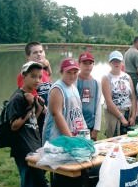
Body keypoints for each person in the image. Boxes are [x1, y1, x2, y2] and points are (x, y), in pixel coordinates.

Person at [42, 58, 87, 187]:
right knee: (64, 175)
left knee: (79, 173)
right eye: (69, 72)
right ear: (61, 72)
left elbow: (78, 113)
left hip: (73, 136)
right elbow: (57, 114)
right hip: (58, 140)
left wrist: (83, 135)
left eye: (75, 72)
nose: (72, 75)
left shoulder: (73, 86)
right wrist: (70, 140)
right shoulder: (57, 88)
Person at [7, 61, 48, 187]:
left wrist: (39, 106)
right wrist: (30, 107)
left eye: (40, 77)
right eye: (33, 76)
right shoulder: (17, 98)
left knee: (39, 180)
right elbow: (14, 125)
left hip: (34, 146)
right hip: (22, 148)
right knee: (29, 181)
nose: (37, 80)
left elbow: (32, 120)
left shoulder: (33, 96)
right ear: (24, 76)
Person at [16, 41, 52, 137]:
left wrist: (48, 65)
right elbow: (28, 95)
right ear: (28, 56)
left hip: (47, 114)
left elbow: (49, 78)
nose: (39, 54)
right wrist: (46, 110)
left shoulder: (43, 71)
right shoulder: (24, 74)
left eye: (41, 51)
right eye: (35, 52)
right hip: (36, 115)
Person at [101, 51, 137, 138]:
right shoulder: (106, 78)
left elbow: (133, 98)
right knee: (115, 142)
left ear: (122, 62)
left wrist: (133, 116)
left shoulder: (127, 77)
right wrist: (121, 117)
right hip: (114, 114)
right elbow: (109, 102)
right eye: (114, 61)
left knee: (129, 142)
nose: (116, 63)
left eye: (118, 61)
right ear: (110, 63)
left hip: (128, 112)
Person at [77, 52, 102, 141]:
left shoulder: (97, 83)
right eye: (84, 63)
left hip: (91, 125)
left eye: (90, 63)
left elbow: (98, 105)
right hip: (77, 126)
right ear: (79, 64)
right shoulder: (74, 81)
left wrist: (96, 128)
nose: (87, 66)